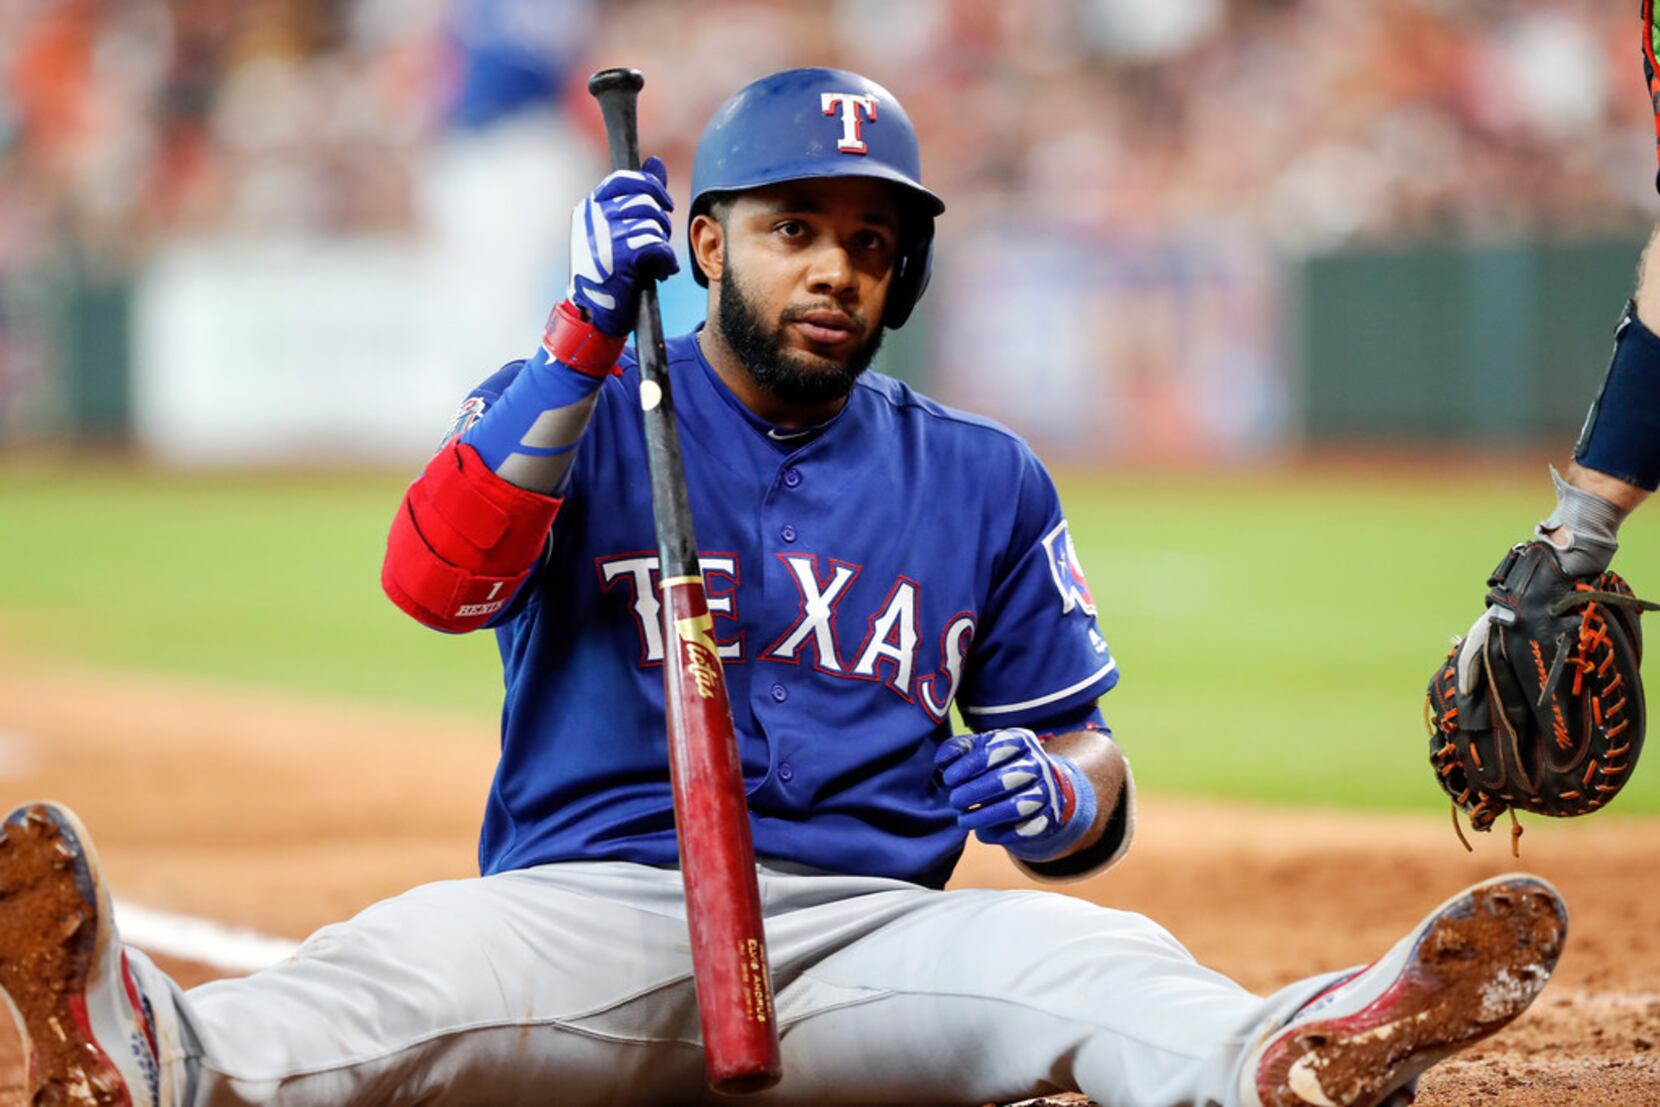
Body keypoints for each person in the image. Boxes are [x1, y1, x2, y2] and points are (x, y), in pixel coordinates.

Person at [0, 68, 1570, 1107]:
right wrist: (580, 333)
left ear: (906, 277)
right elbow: (433, 579)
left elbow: (1094, 772)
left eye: (872, 245)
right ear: (703, 242)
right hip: (592, 912)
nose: (836, 268)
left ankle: (1297, 1052)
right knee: (385, 982)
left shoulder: (982, 476)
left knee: (1105, 970)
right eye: (794, 229)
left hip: (874, 939)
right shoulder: (591, 407)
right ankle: (136, 1054)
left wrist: (1056, 784)